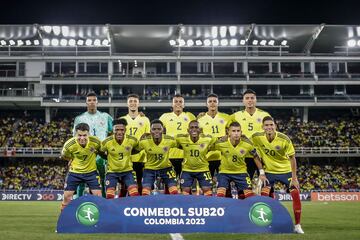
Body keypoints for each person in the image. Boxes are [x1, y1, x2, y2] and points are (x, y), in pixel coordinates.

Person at [251, 116, 304, 234]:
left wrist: (294, 178)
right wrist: (262, 173)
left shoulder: (284, 139)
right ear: (262, 127)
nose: (269, 127)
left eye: (271, 125)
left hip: (286, 171)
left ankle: (297, 225)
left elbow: (292, 158)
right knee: (264, 195)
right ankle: (267, 223)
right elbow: (254, 155)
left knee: (295, 193)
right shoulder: (256, 137)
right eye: (266, 125)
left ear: (275, 126)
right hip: (269, 173)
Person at [73, 92, 113, 198]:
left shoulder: (105, 117)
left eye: (94, 100)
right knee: (81, 180)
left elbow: (113, 131)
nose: (92, 102)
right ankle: (79, 202)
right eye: (89, 100)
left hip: (101, 154)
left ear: (97, 102)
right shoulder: (79, 118)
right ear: (86, 102)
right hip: (84, 153)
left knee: (104, 179)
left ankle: (104, 202)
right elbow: (75, 138)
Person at [212, 121, 266, 199]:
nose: (236, 133)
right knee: (221, 195)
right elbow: (208, 148)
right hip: (224, 172)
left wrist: (261, 172)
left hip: (241, 172)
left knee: (249, 197)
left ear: (241, 132)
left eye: (238, 131)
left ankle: (243, 209)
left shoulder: (247, 144)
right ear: (228, 132)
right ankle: (225, 209)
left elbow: (255, 156)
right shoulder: (221, 143)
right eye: (233, 131)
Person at [229, 89, 271, 180]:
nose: (250, 100)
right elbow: (227, 132)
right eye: (247, 98)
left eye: (252, 98)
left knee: (267, 183)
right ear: (243, 101)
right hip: (244, 155)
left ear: (256, 100)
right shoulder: (235, 116)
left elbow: (271, 132)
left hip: (261, 154)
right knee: (244, 184)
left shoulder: (265, 115)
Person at [60, 123, 102, 211]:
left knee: (98, 197)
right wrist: (70, 159)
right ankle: (64, 220)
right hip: (75, 173)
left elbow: (102, 151)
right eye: (79, 135)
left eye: (84, 135)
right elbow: (64, 155)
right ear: (75, 134)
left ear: (88, 134)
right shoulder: (69, 145)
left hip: (91, 172)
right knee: (67, 197)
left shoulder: (96, 142)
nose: (82, 138)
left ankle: (99, 220)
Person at [136, 119, 178, 195]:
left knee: (174, 191)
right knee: (145, 192)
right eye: (154, 129)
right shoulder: (144, 141)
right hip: (149, 169)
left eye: (159, 129)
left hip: (166, 168)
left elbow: (181, 146)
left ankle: (170, 204)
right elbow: (135, 150)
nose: (156, 131)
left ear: (163, 130)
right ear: (150, 131)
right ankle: (147, 206)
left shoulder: (170, 140)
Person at [119, 94, 150, 195]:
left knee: (140, 183)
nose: (133, 103)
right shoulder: (122, 120)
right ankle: (122, 206)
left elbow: (148, 139)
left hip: (141, 157)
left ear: (138, 103)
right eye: (131, 101)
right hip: (126, 157)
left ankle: (139, 206)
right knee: (124, 185)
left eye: (135, 101)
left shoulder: (145, 119)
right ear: (127, 103)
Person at [100, 119, 139, 198]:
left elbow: (137, 149)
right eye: (116, 130)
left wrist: (129, 153)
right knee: (110, 195)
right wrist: (107, 157)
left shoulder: (132, 140)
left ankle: (128, 208)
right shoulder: (106, 142)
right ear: (113, 130)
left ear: (125, 130)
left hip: (127, 171)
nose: (119, 132)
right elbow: (101, 152)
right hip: (112, 172)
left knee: (134, 194)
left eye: (122, 130)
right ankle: (111, 210)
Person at [159, 94, 196, 177]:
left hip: (186, 154)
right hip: (169, 154)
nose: (178, 104)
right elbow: (158, 132)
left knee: (185, 182)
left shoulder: (190, 116)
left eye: (180, 102)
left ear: (184, 104)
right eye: (176, 101)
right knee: (170, 182)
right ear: (172, 104)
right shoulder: (165, 116)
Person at [176, 120, 216, 196]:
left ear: (200, 130)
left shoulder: (208, 138)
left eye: (196, 127)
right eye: (191, 127)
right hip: (187, 169)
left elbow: (218, 141)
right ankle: (187, 207)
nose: (194, 129)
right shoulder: (181, 138)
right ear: (188, 130)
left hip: (203, 169)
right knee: (185, 191)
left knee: (207, 191)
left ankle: (207, 207)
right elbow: (169, 140)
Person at [197, 93, 230, 178]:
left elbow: (231, 133)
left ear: (218, 103)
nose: (212, 103)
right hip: (206, 156)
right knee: (206, 185)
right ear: (206, 104)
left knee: (224, 183)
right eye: (210, 101)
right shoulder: (200, 119)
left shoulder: (226, 117)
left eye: (215, 101)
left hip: (223, 156)